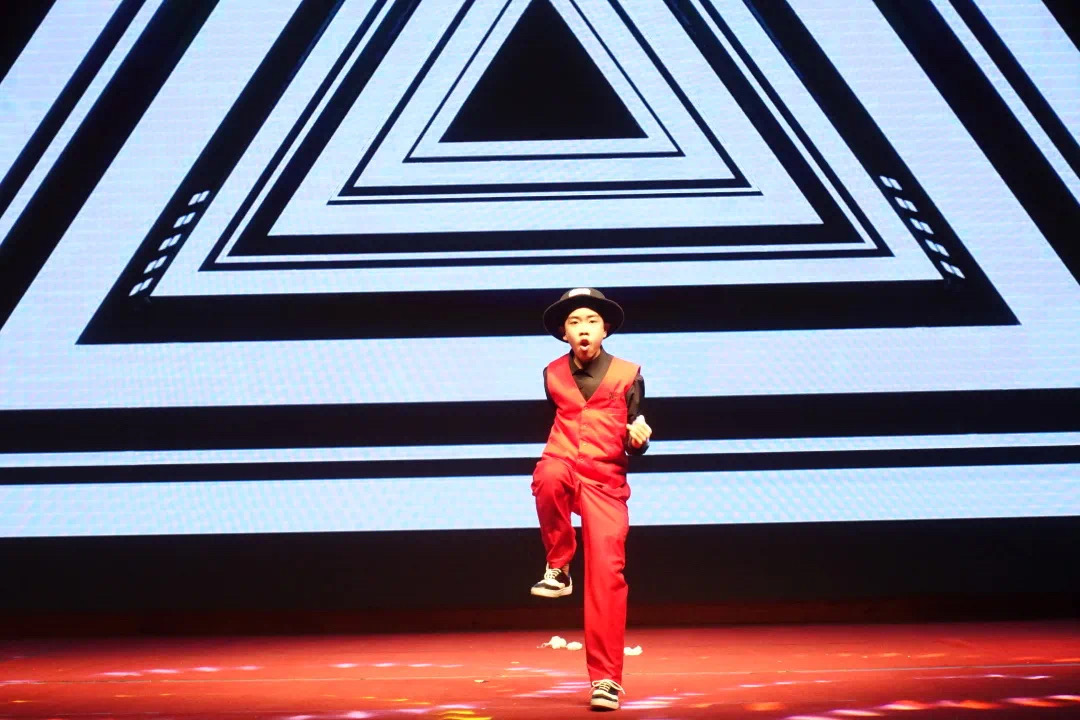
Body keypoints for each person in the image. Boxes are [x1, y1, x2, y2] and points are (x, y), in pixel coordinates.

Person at [530, 287, 653, 711]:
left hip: (605, 481)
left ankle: (606, 680)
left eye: (591, 322)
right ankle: (559, 565)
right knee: (547, 475)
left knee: (607, 577)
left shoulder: (628, 374)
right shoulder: (551, 374)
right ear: (564, 333)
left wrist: (638, 441)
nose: (583, 329)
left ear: (605, 330)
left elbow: (634, 431)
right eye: (574, 322)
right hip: (564, 463)